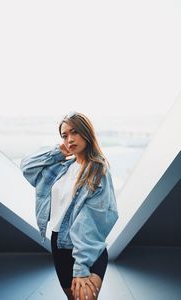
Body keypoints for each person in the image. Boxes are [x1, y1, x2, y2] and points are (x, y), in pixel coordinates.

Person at [20, 111, 119, 300]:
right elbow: (27, 167)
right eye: (64, 135)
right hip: (59, 245)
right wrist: (58, 152)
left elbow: (91, 221)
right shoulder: (61, 168)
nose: (69, 139)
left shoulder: (98, 170)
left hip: (87, 248)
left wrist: (81, 266)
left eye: (74, 132)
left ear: (86, 133)